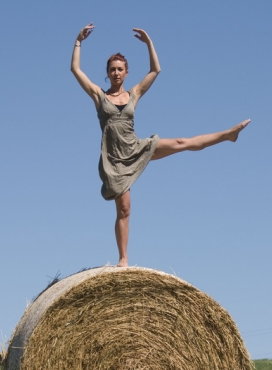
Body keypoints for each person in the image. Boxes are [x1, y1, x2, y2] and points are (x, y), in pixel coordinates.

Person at [71, 23, 249, 267]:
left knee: (181, 142)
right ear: (107, 72)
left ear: (126, 72)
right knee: (123, 209)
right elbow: (76, 70)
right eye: (112, 69)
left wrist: (149, 43)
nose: (116, 73)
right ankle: (123, 258)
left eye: (120, 69)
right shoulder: (99, 96)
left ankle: (227, 135)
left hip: (136, 148)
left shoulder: (133, 94)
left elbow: (156, 70)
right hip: (115, 160)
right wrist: (78, 42)